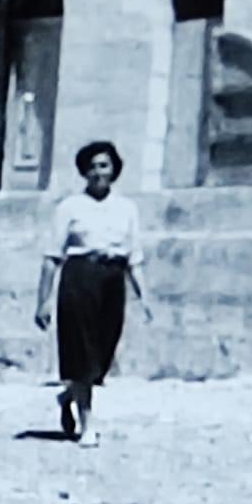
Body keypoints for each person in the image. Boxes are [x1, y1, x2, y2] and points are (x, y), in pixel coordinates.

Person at [34, 140, 151, 448]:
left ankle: (68, 395)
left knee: (102, 354)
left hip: (113, 279)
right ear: (84, 172)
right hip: (80, 277)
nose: (98, 172)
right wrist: (43, 301)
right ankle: (88, 425)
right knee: (82, 351)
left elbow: (134, 256)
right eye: (93, 167)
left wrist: (145, 296)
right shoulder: (70, 207)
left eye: (104, 166)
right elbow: (51, 257)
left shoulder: (127, 208)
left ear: (114, 170)